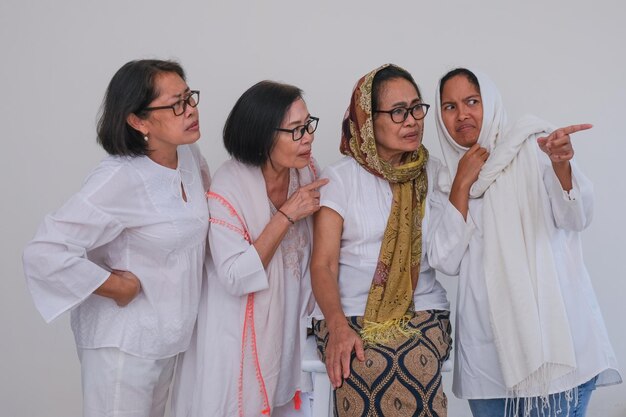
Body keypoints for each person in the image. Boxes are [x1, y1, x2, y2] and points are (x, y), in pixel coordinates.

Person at [428, 67, 622, 417]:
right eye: (450, 106)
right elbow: (445, 260)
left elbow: (575, 218)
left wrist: (562, 166)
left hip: (557, 352)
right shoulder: (445, 180)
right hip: (488, 359)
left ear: (490, 102)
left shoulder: (534, 148)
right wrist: (461, 184)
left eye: (472, 101)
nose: (462, 114)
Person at [22, 59, 210, 417]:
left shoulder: (188, 156)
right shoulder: (118, 178)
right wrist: (114, 285)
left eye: (190, 97)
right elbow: (43, 252)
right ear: (138, 120)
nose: (191, 110)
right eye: (176, 104)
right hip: (122, 347)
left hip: (168, 340)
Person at [172, 80, 328, 417]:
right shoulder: (228, 188)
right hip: (235, 335)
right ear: (263, 136)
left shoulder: (306, 173)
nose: (309, 137)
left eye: (308, 125)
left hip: (289, 331)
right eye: (296, 130)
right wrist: (287, 214)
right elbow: (234, 276)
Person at [310, 64, 452, 417]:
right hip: (348, 313)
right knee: (365, 363)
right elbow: (323, 264)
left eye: (417, 108)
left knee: (413, 364)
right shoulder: (340, 179)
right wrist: (339, 327)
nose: (413, 121)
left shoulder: (434, 173)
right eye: (399, 112)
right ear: (368, 120)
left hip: (422, 310)